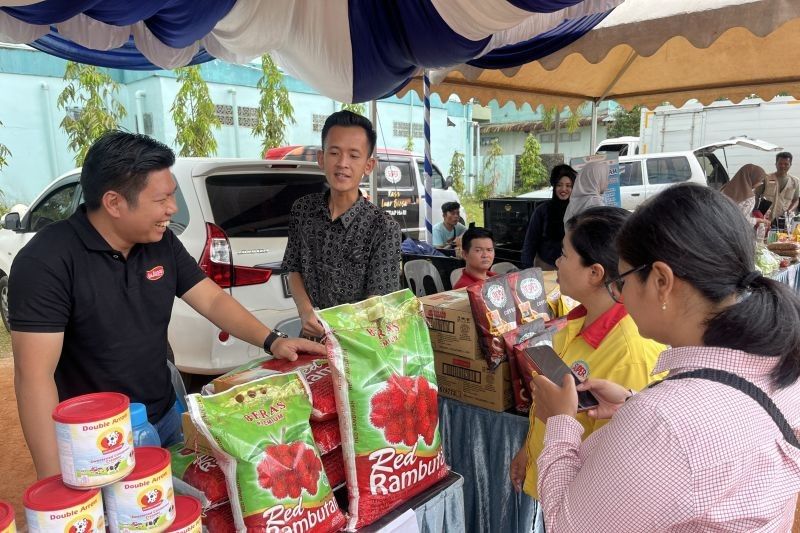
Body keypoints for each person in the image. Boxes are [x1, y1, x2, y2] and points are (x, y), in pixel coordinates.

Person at [8, 131, 326, 480]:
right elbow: (33, 377)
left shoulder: (160, 242)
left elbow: (211, 297)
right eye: (162, 200)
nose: (172, 209)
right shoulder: (46, 261)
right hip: (96, 442)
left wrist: (273, 341)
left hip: (163, 413)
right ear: (114, 203)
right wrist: (54, 483)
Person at [531, 183, 800, 531]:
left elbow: (565, 525)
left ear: (661, 281)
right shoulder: (779, 363)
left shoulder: (663, 421)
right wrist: (632, 403)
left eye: (624, 279)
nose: (620, 294)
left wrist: (560, 422)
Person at [509, 207, 665, 524]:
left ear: (594, 273)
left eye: (565, 255)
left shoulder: (630, 352)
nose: (556, 262)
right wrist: (529, 452)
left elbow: (616, 465)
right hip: (554, 483)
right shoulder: (573, 323)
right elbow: (555, 409)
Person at [283, 111, 402, 339]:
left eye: (354, 155)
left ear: (368, 165)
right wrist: (306, 312)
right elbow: (293, 267)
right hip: (311, 339)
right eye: (334, 153)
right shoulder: (303, 210)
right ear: (321, 158)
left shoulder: (384, 227)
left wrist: (339, 331)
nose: (342, 163)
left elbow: (378, 303)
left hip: (360, 345)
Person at [521, 165, 577, 270]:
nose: (564, 189)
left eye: (568, 185)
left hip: (570, 268)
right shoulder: (542, 210)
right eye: (559, 185)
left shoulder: (578, 209)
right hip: (545, 266)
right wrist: (526, 268)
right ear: (554, 186)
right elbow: (530, 241)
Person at [755, 151, 800, 227]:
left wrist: (790, 210)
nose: (783, 166)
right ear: (776, 164)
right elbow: (756, 195)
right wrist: (755, 213)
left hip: (783, 219)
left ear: (790, 165)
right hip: (765, 217)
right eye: (780, 163)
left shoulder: (795, 181)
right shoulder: (766, 178)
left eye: (786, 164)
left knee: (782, 237)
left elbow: (796, 200)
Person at [720, 163, 770, 228]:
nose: (760, 183)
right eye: (760, 180)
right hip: (734, 230)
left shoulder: (724, 188)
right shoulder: (749, 197)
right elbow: (743, 221)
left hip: (719, 225)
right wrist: (760, 220)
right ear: (753, 178)